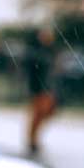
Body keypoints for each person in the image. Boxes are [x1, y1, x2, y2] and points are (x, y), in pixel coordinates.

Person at [24, 24, 60, 156]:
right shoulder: (36, 52)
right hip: (39, 88)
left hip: (48, 88)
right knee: (38, 114)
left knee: (46, 113)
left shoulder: (51, 51)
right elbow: (33, 71)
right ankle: (32, 140)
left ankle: (34, 139)